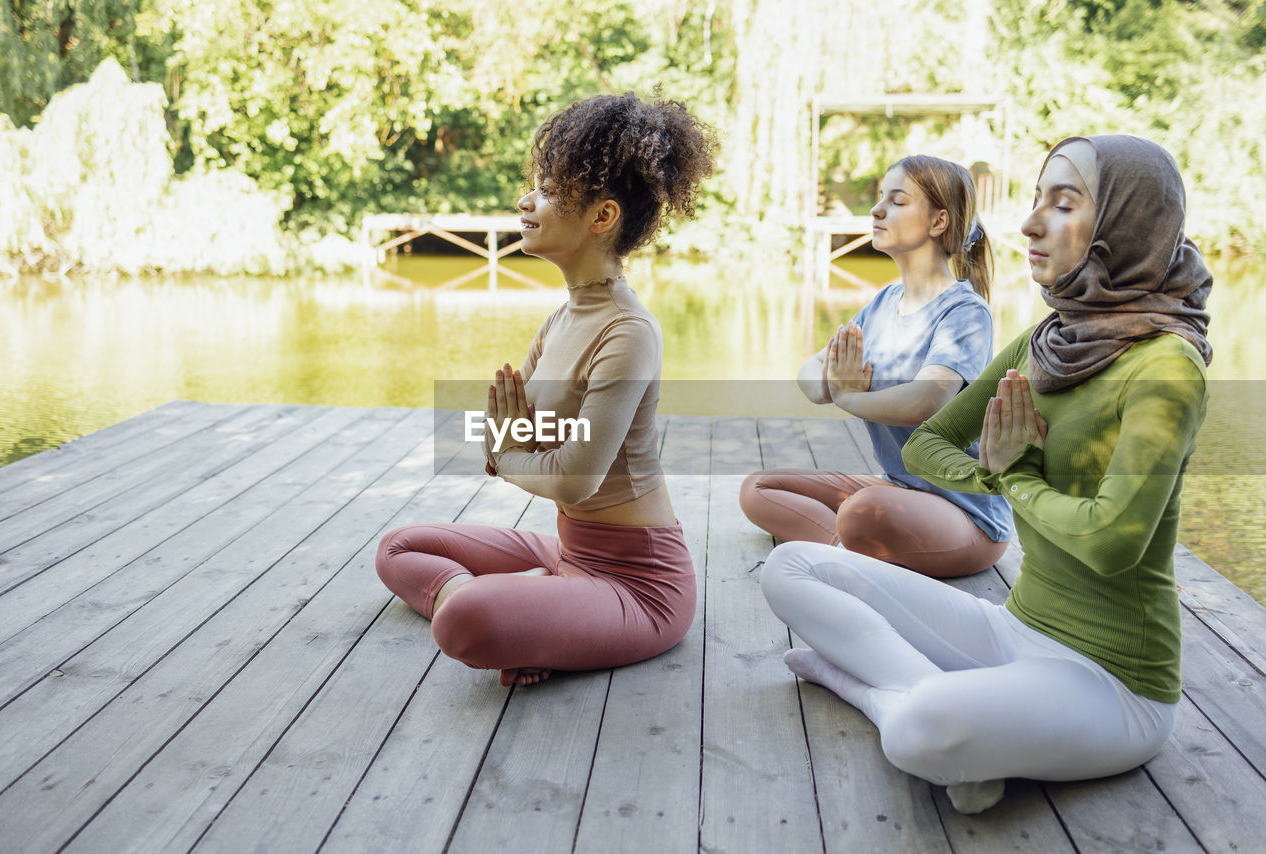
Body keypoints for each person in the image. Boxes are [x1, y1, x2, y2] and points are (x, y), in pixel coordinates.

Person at [760, 135, 1212, 814]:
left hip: (1114, 684)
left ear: (1127, 222)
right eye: (1036, 200)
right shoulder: (1049, 340)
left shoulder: (1167, 366)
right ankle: (950, 717)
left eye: (1063, 204)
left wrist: (1017, 475)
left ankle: (866, 689)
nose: (1030, 223)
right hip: (1015, 629)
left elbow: (1112, 541)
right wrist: (1000, 474)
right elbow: (926, 448)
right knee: (790, 569)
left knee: (916, 729)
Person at [375, 93, 717, 687]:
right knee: (399, 548)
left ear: (601, 217)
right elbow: (507, 440)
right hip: (567, 554)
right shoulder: (560, 320)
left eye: (548, 190)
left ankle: (520, 609)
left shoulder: (628, 331)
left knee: (463, 621)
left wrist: (509, 456)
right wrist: (509, 449)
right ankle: (533, 606)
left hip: (639, 585)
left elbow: (572, 475)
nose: (525, 200)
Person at [740, 155, 1013, 577]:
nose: (877, 210)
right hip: (899, 492)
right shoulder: (885, 302)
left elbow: (926, 400)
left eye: (897, 201)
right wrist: (834, 385)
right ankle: (849, 550)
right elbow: (810, 378)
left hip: (964, 512)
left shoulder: (964, 311)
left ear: (938, 222)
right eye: (880, 198)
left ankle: (852, 546)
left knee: (863, 511)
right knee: (758, 489)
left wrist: (848, 396)